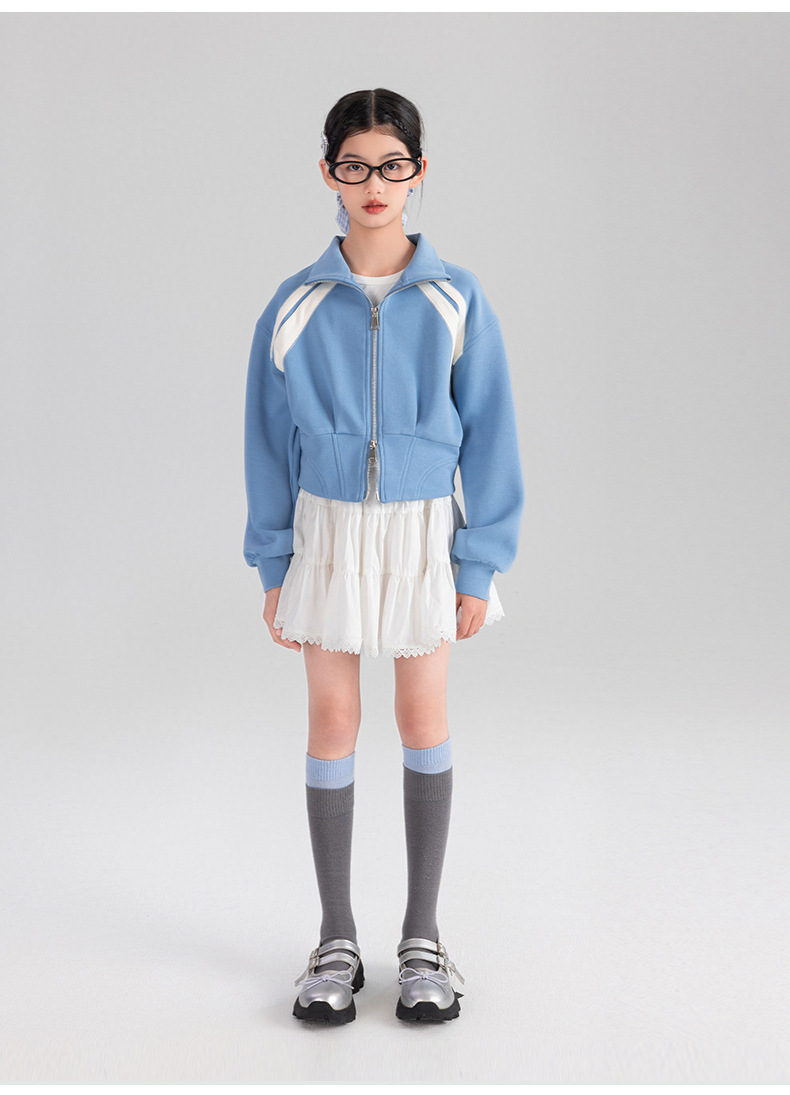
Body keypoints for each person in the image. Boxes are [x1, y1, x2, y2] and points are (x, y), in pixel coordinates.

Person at [243, 88, 524, 1024]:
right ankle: (334, 938)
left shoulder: (456, 297)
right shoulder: (293, 304)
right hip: (326, 532)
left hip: (420, 534)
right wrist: (273, 560)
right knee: (331, 717)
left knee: (421, 713)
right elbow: (265, 441)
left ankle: (422, 938)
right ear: (328, 172)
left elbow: (492, 432)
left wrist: (479, 561)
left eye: (392, 165)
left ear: (418, 172)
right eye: (355, 165)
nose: (374, 183)